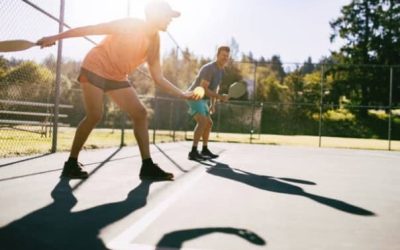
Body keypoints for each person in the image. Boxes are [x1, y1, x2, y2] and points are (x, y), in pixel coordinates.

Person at [37, 0, 197, 180]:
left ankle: (147, 167)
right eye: (168, 16)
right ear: (155, 15)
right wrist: (55, 37)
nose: (170, 20)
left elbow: (158, 77)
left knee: (140, 113)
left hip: (117, 76)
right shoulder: (130, 25)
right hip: (96, 66)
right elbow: (91, 29)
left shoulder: (155, 41)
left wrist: (182, 94)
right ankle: (71, 163)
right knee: (95, 115)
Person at [186, 46, 230, 160]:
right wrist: (220, 97)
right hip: (194, 96)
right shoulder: (210, 68)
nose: (225, 58)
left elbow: (215, 89)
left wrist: (213, 104)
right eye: (223, 55)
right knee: (203, 121)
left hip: (203, 99)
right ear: (217, 55)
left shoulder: (221, 71)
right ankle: (193, 152)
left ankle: (204, 149)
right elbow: (203, 88)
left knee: (209, 123)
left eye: (227, 56)